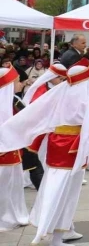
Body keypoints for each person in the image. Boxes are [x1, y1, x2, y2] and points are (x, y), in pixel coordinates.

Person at [0, 59, 89, 246]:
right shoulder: (78, 97)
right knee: (61, 192)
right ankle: (52, 235)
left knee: (61, 190)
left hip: (62, 146)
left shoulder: (63, 92)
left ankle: (65, 229)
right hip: (70, 149)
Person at [0, 67, 30, 233]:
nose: (20, 84)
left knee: (13, 185)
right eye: (17, 81)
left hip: (14, 152)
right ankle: (4, 218)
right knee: (3, 187)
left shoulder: (12, 101)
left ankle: (14, 214)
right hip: (4, 155)